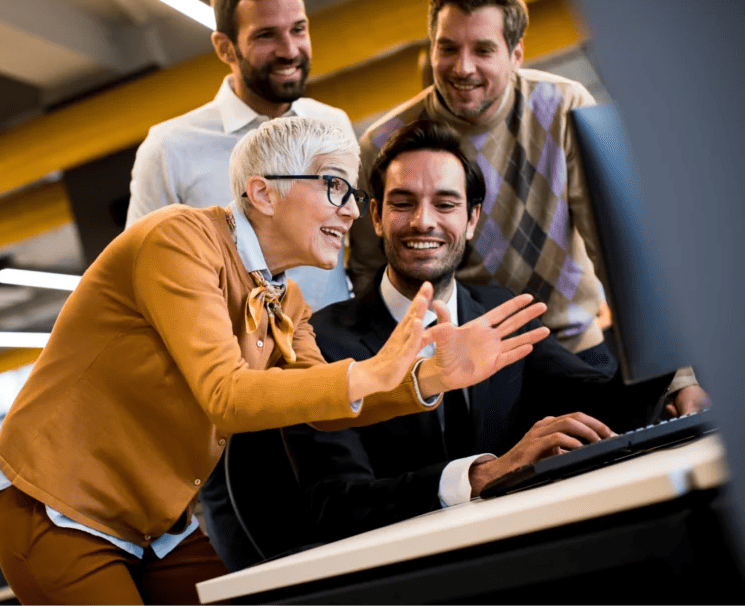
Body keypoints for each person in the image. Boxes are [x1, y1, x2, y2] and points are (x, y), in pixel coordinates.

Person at [0, 117, 550, 604]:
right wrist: (374, 371)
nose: (352, 212)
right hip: (59, 511)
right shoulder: (179, 241)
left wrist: (426, 378)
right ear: (263, 193)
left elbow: (322, 408)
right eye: (334, 187)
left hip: (155, 524)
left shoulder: (285, 298)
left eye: (351, 194)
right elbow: (225, 396)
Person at [283, 119, 697, 543]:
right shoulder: (317, 343)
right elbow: (335, 505)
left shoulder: (501, 311)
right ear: (376, 216)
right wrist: (482, 474)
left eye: (445, 205)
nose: (423, 222)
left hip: (526, 545)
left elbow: (604, 413)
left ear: (471, 219)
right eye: (403, 203)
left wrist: (671, 316)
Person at [348, 0, 703, 409]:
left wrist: (680, 378)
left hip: (574, 345)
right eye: (448, 48)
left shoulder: (563, 106)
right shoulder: (385, 143)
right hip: (467, 373)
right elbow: (368, 275)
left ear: (516, 54)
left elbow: (622, 251)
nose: (462, 67)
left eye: (483, 50)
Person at [126, 0, 355, 312]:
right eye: (266, 35)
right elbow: (142, 275)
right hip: (235, 356)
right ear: (224, 48)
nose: (290, 50)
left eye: (298, 29)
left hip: (335, 348)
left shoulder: (333, 124)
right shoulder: (169, 149)